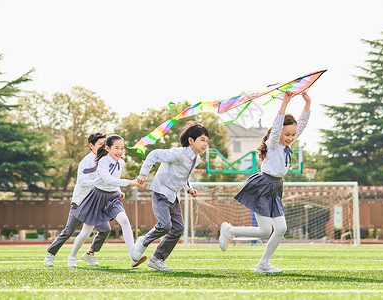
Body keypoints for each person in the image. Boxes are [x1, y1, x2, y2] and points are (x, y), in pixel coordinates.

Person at [218, 90, 312, 273]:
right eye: (288, 134)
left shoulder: (287, 145)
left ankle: (260, 262)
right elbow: (277, 127)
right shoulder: (274, 142)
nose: (291, 138)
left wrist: (307, 104)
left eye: (293, 135)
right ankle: (230, 232)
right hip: (263, 185)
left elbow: (301, 125)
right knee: (266, 230)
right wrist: (285, 102)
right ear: (278, 133)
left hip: (276, 186)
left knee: (277, 229)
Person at [132, 121, 208, 271]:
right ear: (191, 141)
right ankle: (143, 242)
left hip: (174, 195)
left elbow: (183, 177)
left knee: (178, 228)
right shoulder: (178, 153)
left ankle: (157, 259)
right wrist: (143, 173)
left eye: (207, 140)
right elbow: (153, 154)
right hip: (161, 190)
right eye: (202, 140)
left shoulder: (196, 159)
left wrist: (189, 188)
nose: (205, 143)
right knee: (165, 225)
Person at [69, 134, 146, 268]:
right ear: (107, 148)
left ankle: (133, 256)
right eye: (116, 148)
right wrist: (131, 182)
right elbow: (108, 180)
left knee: (124, 220)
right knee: (85, 233)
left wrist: (118, 191)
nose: (120, 152)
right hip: (97, 198)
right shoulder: (103, 161)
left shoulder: (120, 163)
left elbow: (114, 181)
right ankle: (72, 256)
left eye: (122, 148)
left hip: (112, 198)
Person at [44, 132, 111, 267]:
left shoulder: (107, 160)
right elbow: (82, 181)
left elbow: (110, 180)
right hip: (80, 202)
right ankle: (50, 254)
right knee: (69, 231)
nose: (103, 147)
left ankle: (90, 254)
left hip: (96, 204)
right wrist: (97, 182)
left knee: (105, 229)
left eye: (105, 144)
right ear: (91, 145)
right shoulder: (85, 162)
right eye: (100, 144)